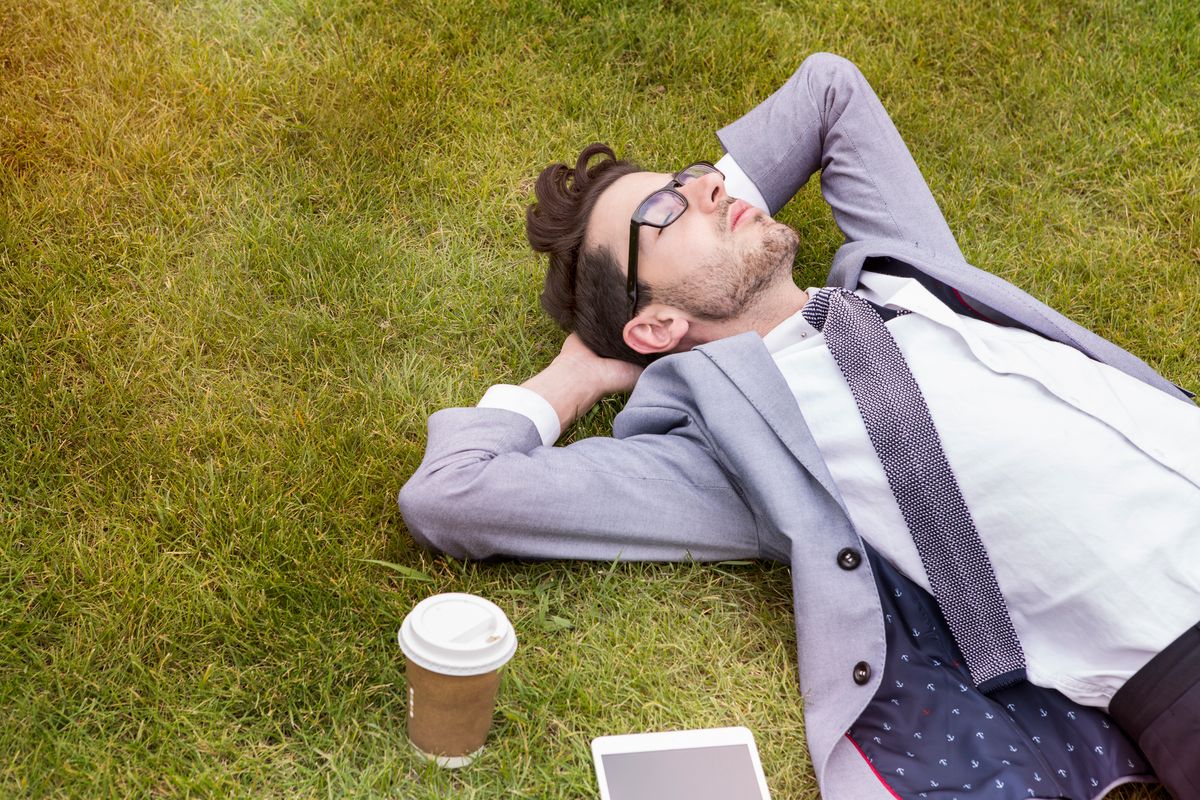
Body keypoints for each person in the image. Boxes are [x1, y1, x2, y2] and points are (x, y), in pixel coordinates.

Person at [399, 53, 1199, 800]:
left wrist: (721, 215)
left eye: (698, 177)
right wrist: (581, 369)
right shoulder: (740, 449)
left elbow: (830, 89)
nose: (708, 184)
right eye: (664, 208)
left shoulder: (899, 270)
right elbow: (454, 493)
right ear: (656, 326)